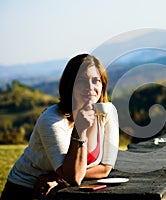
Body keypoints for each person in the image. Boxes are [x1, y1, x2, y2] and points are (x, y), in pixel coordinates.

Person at [1, 54, 119, 199]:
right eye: (81, 81)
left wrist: (58, 178)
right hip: (27, 191)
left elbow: (105, 168)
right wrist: (80, 131)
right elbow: (74, 177)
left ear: (103, 84)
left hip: (62, 189)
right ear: (70, 85)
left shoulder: (107, 113)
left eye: (96, 80)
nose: (90, 87)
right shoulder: (52, 120)